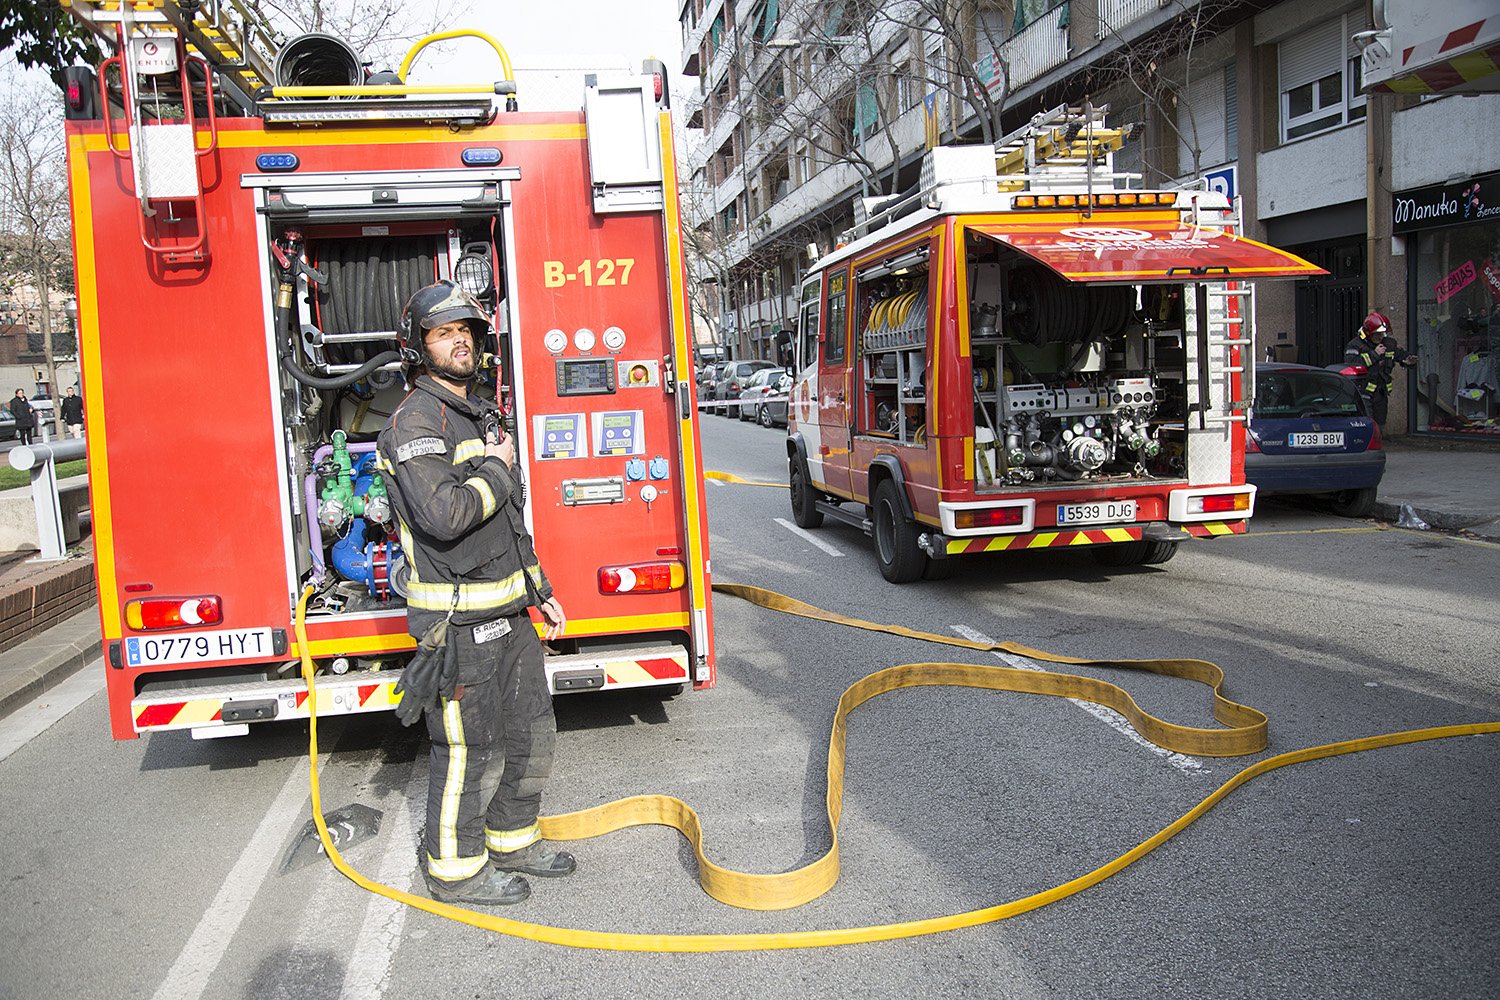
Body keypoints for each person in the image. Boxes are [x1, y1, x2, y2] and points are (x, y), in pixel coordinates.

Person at [375, 280, 573, 908]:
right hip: (459, 626)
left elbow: (509, 522)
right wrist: (497, 466)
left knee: (530, 734)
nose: (460, 341)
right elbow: (444, 516)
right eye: (444, 333)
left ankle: (513, 841)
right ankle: (456, 872)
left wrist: (539, 588)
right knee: (470, 749)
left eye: (466, 330)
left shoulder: (478, 412)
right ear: (417, 347)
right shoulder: (415, 423)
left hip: (509, 613)